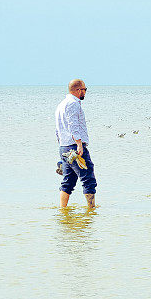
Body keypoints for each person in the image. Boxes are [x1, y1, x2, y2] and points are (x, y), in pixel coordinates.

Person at [55, 79, 96, 208]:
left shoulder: (61, 104)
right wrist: (79, 144)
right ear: (79, 90)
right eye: (85, 89)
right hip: (74, 147)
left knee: (68, 180)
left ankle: (63, 209)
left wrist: (61, 146)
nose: (85, 92)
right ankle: (91, 209)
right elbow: (73, 125)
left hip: (64, 147)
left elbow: (58, 129)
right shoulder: (73, 103)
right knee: (88, 178)